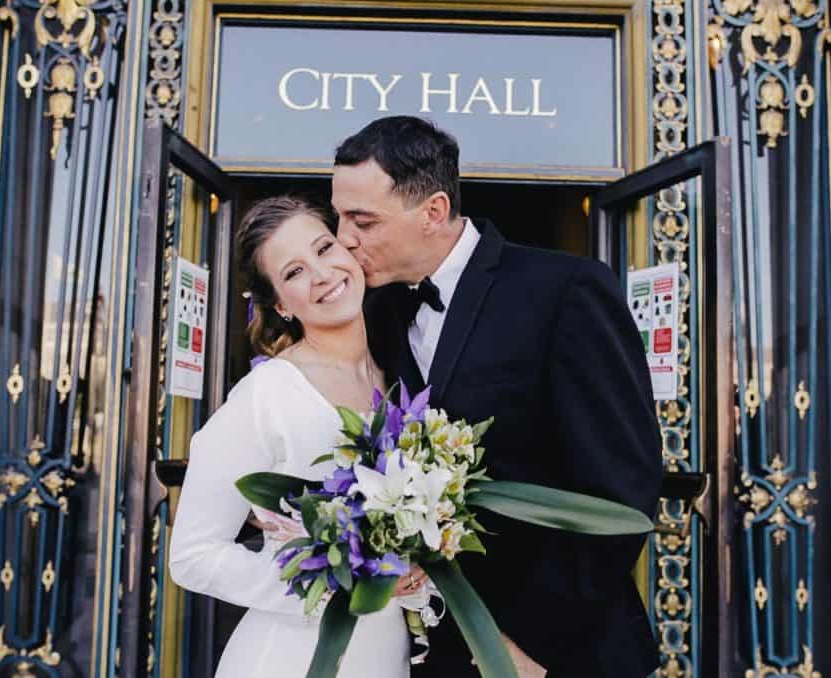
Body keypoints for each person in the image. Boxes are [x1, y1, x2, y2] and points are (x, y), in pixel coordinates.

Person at [331, 116, 663, 677]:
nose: (343, 238)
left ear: (434, 212)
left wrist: (528, 645)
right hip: (434, 649)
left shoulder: (566, 291)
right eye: (339, 216)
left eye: (361, 220)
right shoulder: (376, 312)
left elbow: (622, 490)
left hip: (560, 650)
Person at [168, 197, 426, 677]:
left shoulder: (401, 373)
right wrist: (335, 581)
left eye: (325, 248)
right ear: (281, 305)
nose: (323, 273)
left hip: (385, 653)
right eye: (294, 272)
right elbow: (192, 556)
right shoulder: (266, 395)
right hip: (289, 658)